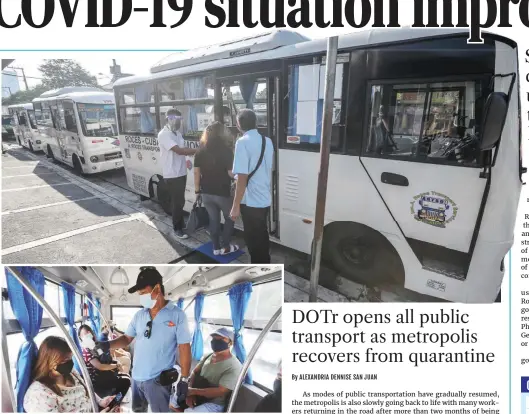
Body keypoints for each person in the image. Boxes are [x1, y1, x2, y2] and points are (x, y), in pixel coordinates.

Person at [95, 267, 192, 413]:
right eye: (140, 294)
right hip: (136, 378)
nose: (142, 297)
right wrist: (107, 344)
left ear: (157, 288)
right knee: (138, 411)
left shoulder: (177, 315)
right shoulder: (139, 315)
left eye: (144, 293)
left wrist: (184, 378)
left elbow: (184, 347)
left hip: (158, 381)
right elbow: (127, 338)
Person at [23, 336, 120, 413]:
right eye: (65, 360)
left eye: (70, 359)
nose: (70, 363)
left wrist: (101, 402)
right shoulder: (39, 395)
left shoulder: (71, 373)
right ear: (50, 362)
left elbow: (86, 392)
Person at [230, 109, 274, 264]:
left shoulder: (242, 142)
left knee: (253, 240)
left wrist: (235, 206)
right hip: (264, 198)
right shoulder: (267, 141)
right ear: (255, 122)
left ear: (239, 124)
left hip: (250, 201)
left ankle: (259, 270)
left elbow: (242, 177)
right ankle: (265, 265)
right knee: (262, 236)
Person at [169, 328, 242, 413]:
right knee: (172, 402)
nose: (216, 341)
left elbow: (221, 391)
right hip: (196, 392)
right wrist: (190, 392)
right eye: (214, 338)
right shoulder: (208, 356)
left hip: (213, 403)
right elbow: (194, 372)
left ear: (231, 343)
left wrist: (193, 391)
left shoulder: (234, 366)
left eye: (221, 339)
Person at [194, 122, 239, 255]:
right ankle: (225, 245)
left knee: (214, 220)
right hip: (222, 192)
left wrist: (197, 191)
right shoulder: (226, 151)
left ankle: (216, 248)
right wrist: (239, 177)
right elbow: (231, 173)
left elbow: (196, 173)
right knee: (230, 218)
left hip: (206, 192)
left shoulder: (200, 150)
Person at [158, 108, 198, 239]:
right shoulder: (164, 134)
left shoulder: (178, 134)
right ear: (168, 119)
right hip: (172, 174)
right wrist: (199, 150)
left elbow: (183, 149)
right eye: (175, 119)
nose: (178, 122)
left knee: (180, 201)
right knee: (177, 202)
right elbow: (179, 151)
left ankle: (181, 224)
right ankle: (177, 229)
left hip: (181, 172)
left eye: (180, 119)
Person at [79, 325, 131, 399]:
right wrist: (116, 366)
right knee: (125, 381)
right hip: (96, 379)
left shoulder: (96, 346)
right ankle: (115, 400)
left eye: (88, 332)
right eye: (84, 334)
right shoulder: (86, 350)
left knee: (126, 377)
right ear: (81, 338)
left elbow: (104, 359)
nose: (87, 334)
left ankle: (116, 398)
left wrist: (116, 363)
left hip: (102, 375)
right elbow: (100, 366)